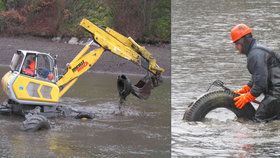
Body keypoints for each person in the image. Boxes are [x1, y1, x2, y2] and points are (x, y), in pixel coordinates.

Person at [231, 23, 280, 122]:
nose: (236, 47)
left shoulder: (255, 54)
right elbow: (259, 75)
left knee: (257, 121)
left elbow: (261, 83)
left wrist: (248, 96)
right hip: (275, 92)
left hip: (276, 94)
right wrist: (246, 88)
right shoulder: (256, 50)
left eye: (236, 44)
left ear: (243, 41)